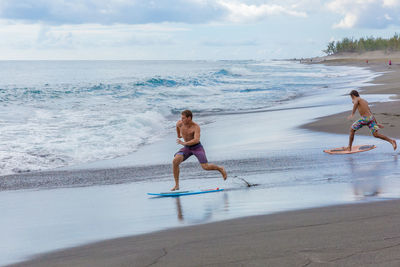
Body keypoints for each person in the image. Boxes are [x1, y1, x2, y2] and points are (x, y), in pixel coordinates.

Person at [171, 110, 227, 191]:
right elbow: (177, 126)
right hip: (187, 148)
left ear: (189, 118)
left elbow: (196, 140)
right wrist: (178, 135)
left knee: (205, 167)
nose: (181, 120)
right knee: (175, 161)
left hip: (197, 147)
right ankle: (176, 185)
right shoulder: (180, 123)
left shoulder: (196, 127)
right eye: (181, 118)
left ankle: (220, 169)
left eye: (183, 118)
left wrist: (183, 143)